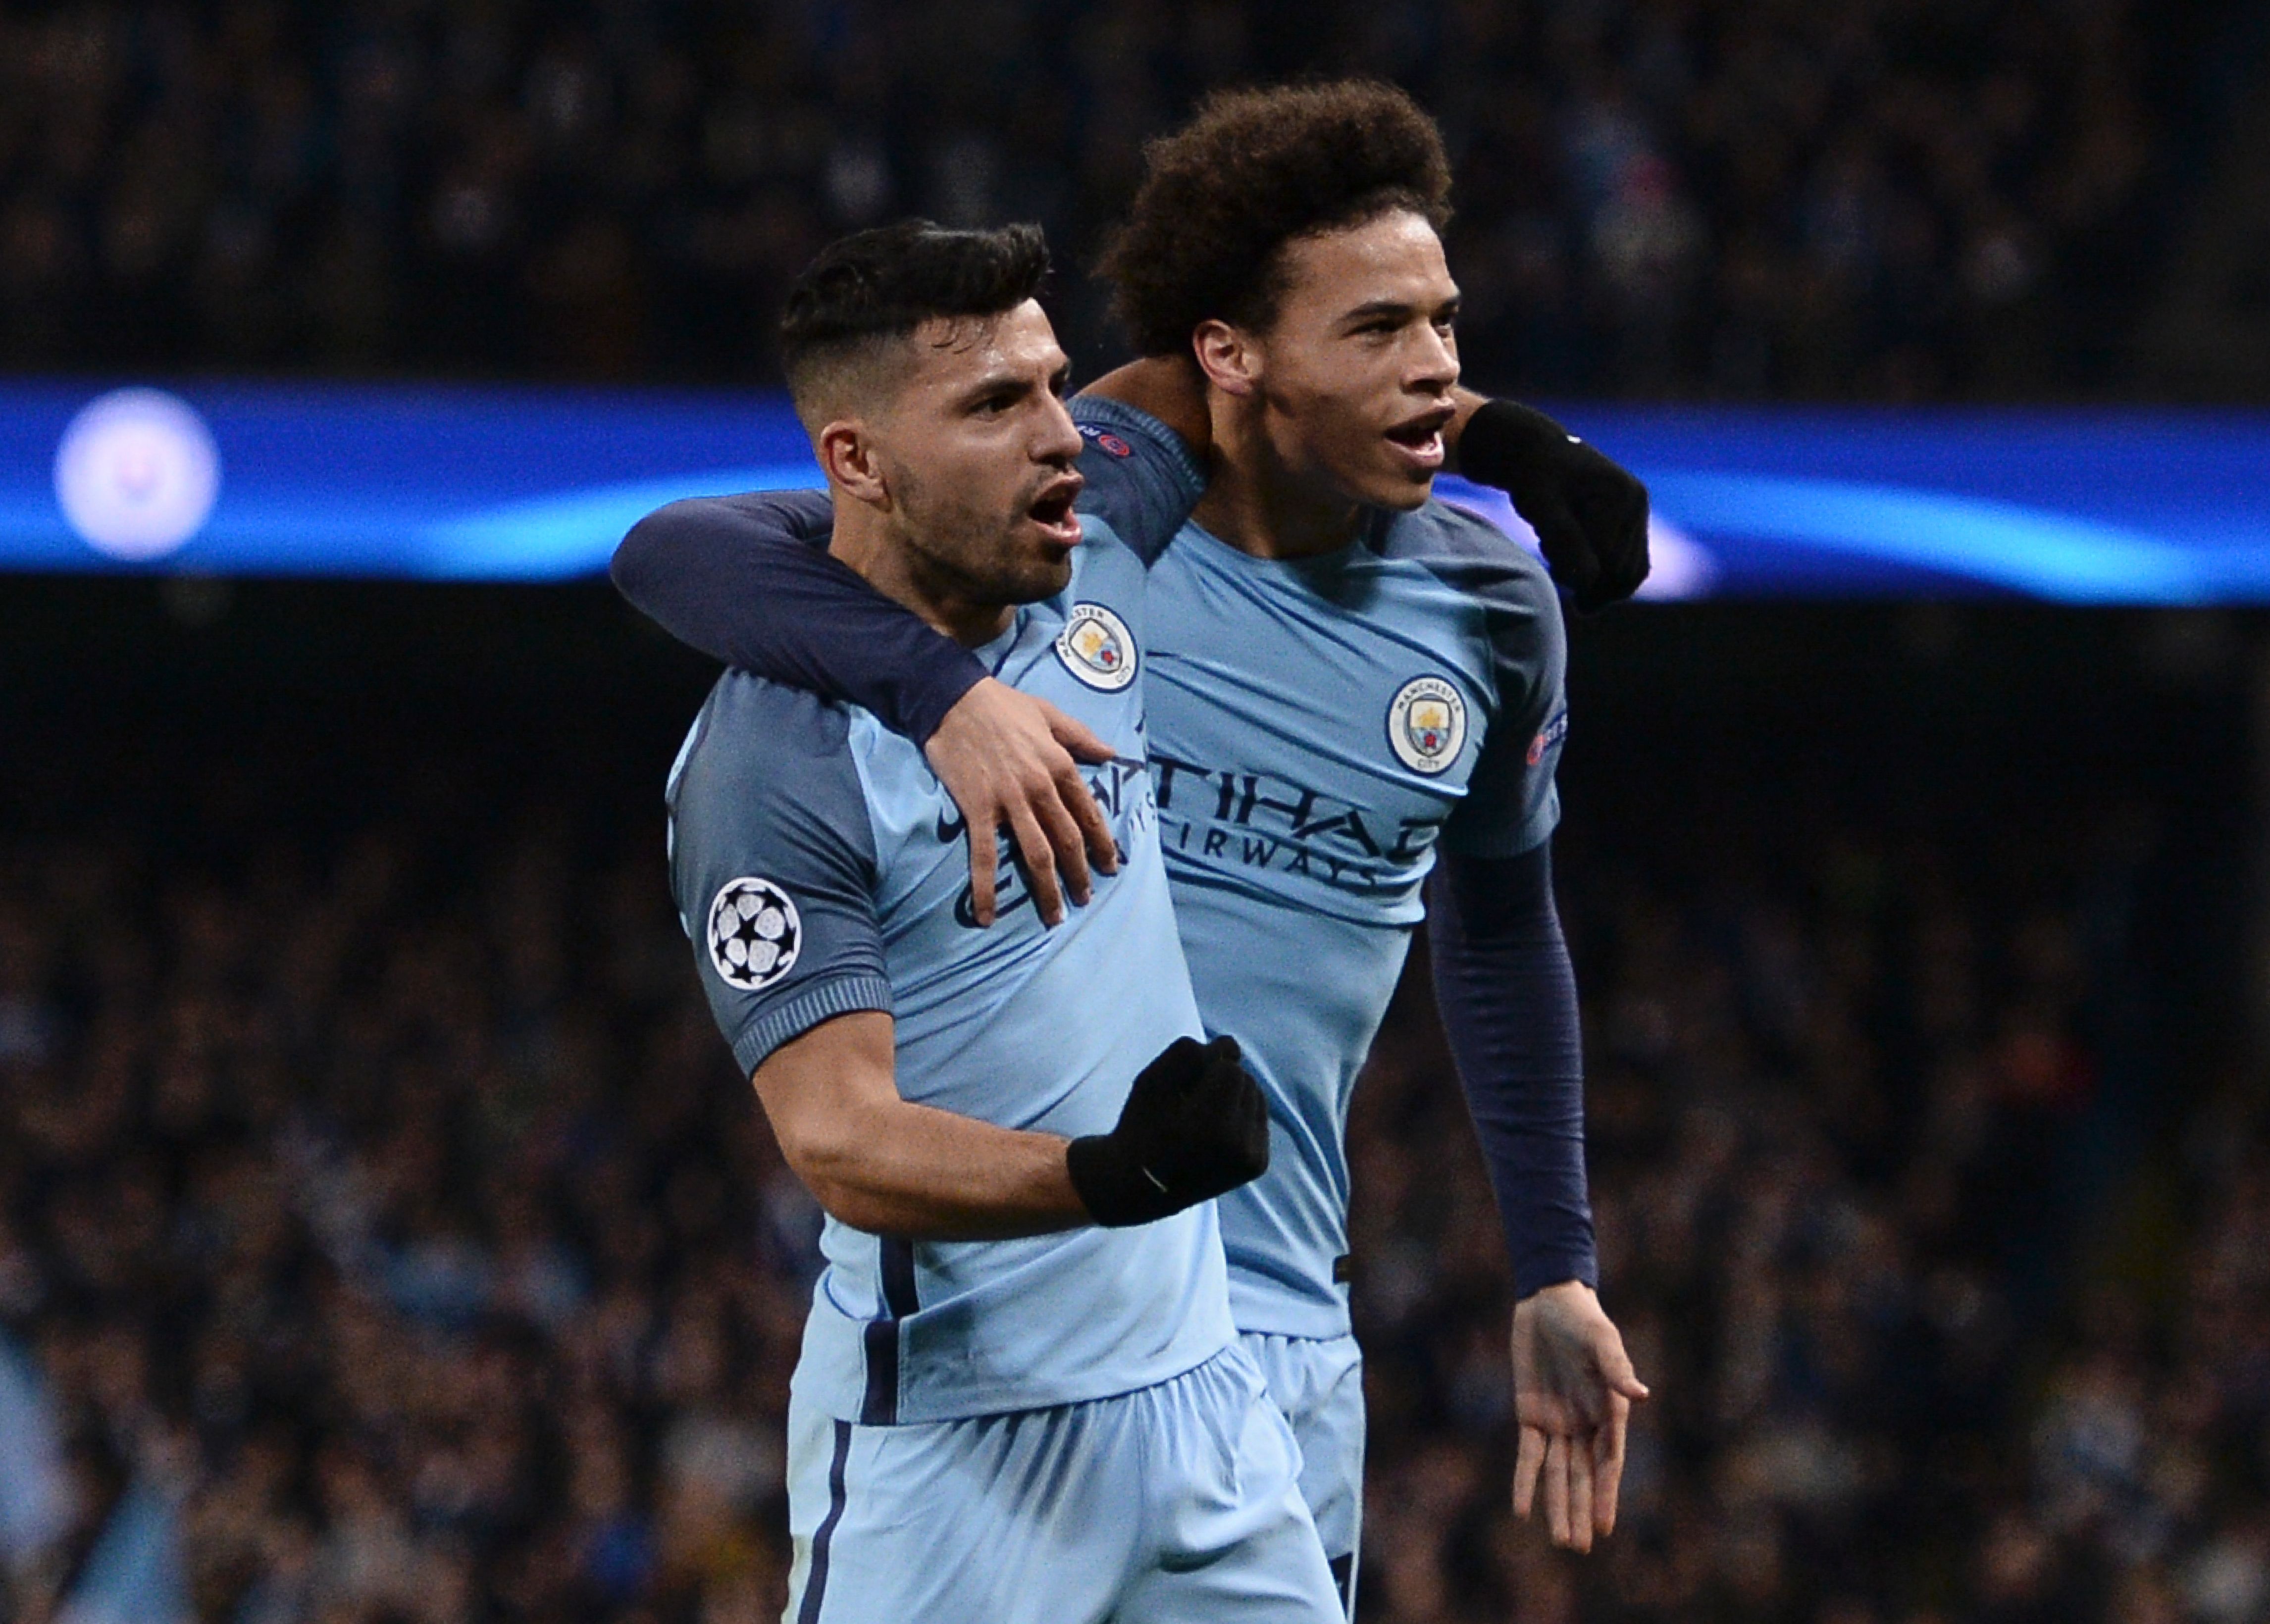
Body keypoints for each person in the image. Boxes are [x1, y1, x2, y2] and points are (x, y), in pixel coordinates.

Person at [617, 83, 1646, 1606]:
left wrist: (1554, 1258)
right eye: (1380, 330)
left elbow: (1498, 925)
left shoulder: (1491, 613)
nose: (1055, 435)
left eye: (1447, 324)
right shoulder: (1089, 543)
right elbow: (681, 546)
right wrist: (944, 693)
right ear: (1226, 357)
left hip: (1265, 1342)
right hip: (991, 1359)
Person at [663, 218, 1343, 1623]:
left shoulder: (1083, 554)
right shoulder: (773, 760)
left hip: (1207, 1411)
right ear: (858, 463)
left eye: (1053, 383)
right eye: (994, 404)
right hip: (957, 1458)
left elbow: (1251, 368)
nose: (1062, 437)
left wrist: (1515, 442)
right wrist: (1107, 1176)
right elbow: (839, 1138)